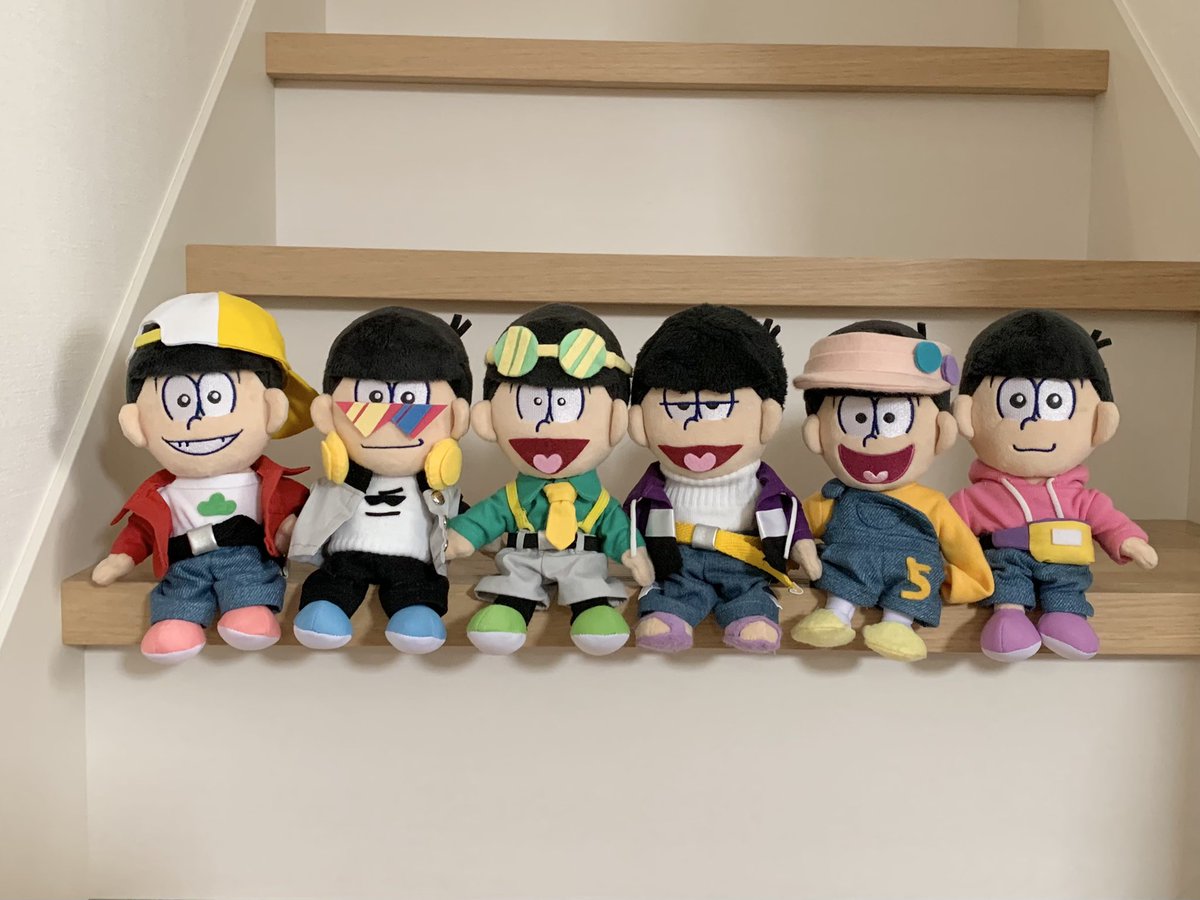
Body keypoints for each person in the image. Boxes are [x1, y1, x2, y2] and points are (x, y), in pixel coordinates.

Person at [92, 291, 314, 664]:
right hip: (183, 562)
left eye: (215, 397)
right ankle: (175, 626)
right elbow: (141, 530)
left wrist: (292, 530)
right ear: (136, 423)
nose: (196, 420)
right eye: (180, 400)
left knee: (250, 581)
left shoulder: (269, 483)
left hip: (246, 557)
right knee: (179, 590)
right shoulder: (161, 493)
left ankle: (249, 612)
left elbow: (298, 507)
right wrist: (120, 558)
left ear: (273, 408)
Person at [445, 304, 653, 656]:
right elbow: (487, 516)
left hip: (582, 559)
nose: (547, 425)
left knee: (590, 588)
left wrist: (634, 553)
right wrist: (460, 538)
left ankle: (593, 613)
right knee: (512, 588)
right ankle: (509, 613)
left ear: (616, 421)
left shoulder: (598, 501)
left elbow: (616, 526)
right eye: (533, 404)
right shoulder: (513, 496)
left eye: (566, 406)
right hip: (520, 558)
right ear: (488, 419)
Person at [950, 309, 1157, 661]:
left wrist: (1128, 540)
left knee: (1068, 582)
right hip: (1007, 558)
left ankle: (1065, 616)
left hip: (1065, 559)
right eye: (1016, 402)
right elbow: (947, 526)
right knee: (1006, 579)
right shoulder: (978, 498)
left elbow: (1106, 519)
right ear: (967, 415)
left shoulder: (1079, 497)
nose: (1034, 423)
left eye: (1055, 404)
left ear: (1102, 422)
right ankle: (1009, 616)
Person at [622, 305, 820, 653]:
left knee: (751, 592)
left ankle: (752, 618)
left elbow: (791, 516)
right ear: (639, 422)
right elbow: (627, 522)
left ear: (768, 417)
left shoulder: (767, 486)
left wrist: (802, 547)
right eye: (679, 407)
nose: (696, 425)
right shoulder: (650, 489)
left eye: (717, 406)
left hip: (744, 559)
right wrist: (631, 551)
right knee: (671, 594)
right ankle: (668, 617)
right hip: (676, 560)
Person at [792, 320, 993, 662]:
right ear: (816, 433)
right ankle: (837, 612)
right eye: (856, 418)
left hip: (911, 581)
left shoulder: (933, 505)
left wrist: (956, 581)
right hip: (847, 575)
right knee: (841, 581)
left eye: (891, 419)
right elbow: (795, 531)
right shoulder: (831, 497)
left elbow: (966, 554)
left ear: (942, 432)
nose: (873, 437)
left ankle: (898, 623)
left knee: (908, 596)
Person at [288, 307, 473, 654]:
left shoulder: (434, 488)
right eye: (371, 402)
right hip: (346, 557)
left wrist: (472, 535)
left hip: (413, 561)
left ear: (457, 419)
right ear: (328, 413)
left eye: (411, 404)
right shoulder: (342, 482)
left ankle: (416, 617)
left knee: (420, 588)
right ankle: (322, 612)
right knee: (331, 584)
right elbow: (311, 510)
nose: (390, 422)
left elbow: (466, 519)